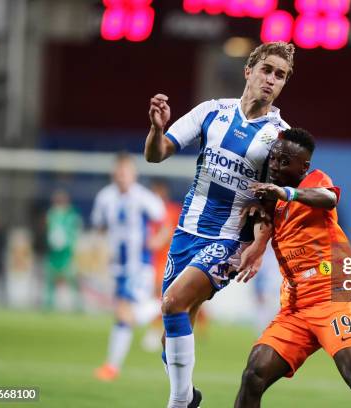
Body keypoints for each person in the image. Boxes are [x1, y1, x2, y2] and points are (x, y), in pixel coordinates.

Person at [144, 41, 295, 408]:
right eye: (267, 70)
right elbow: (156, 154)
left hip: (230, 240)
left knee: (172, 303)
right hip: (186, 233)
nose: (271, 79)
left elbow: (273, 202)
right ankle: (189, 395)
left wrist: (258, 246)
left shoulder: (280, 136)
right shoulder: (212, 112)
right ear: (248, 71)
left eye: (280, 75)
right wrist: (155, 128)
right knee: (174, 330)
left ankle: (179, 403)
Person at [233, 128, 351, 408]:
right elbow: (264, 228)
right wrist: (255, 241)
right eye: (275, 159)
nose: (276, 166)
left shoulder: (315, 181)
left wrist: (287, 193)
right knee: (254, 373)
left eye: (285, 161)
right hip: (296, 307)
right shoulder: (272, 198)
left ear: (304, 167)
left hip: (330, 297)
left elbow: (329, 198)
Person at [92, 153, 167, 381]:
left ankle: (111, 367)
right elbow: (100, 226)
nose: (122, 176)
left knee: (124, 312)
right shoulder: (105, 197)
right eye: (119, 171)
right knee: (124, 316)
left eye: (126, 172)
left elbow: (165, 225)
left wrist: (156, 240)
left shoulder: (144, 198)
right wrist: (103, 248)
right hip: (118, 267)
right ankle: (160, 306)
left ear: (134, 174)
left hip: (139, 265)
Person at [142, 180, 182, 352]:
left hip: (166, 260)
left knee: (162, 296)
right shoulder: (149, 211)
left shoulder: (172, 210)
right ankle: (159, 330)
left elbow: (167, 232)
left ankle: (157, 331)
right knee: (155, 297)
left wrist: (154, 242)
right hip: (150, 260)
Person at [44, 189, 83, 311]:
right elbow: (50, 231)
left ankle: (78, 304)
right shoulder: (51, 214)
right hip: (54, 252)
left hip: (66, 252)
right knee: (50, 279)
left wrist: (70, 243)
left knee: (72, 279)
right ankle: (48, 304)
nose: (59, 203)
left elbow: (76, 230)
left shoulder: (71, 215)